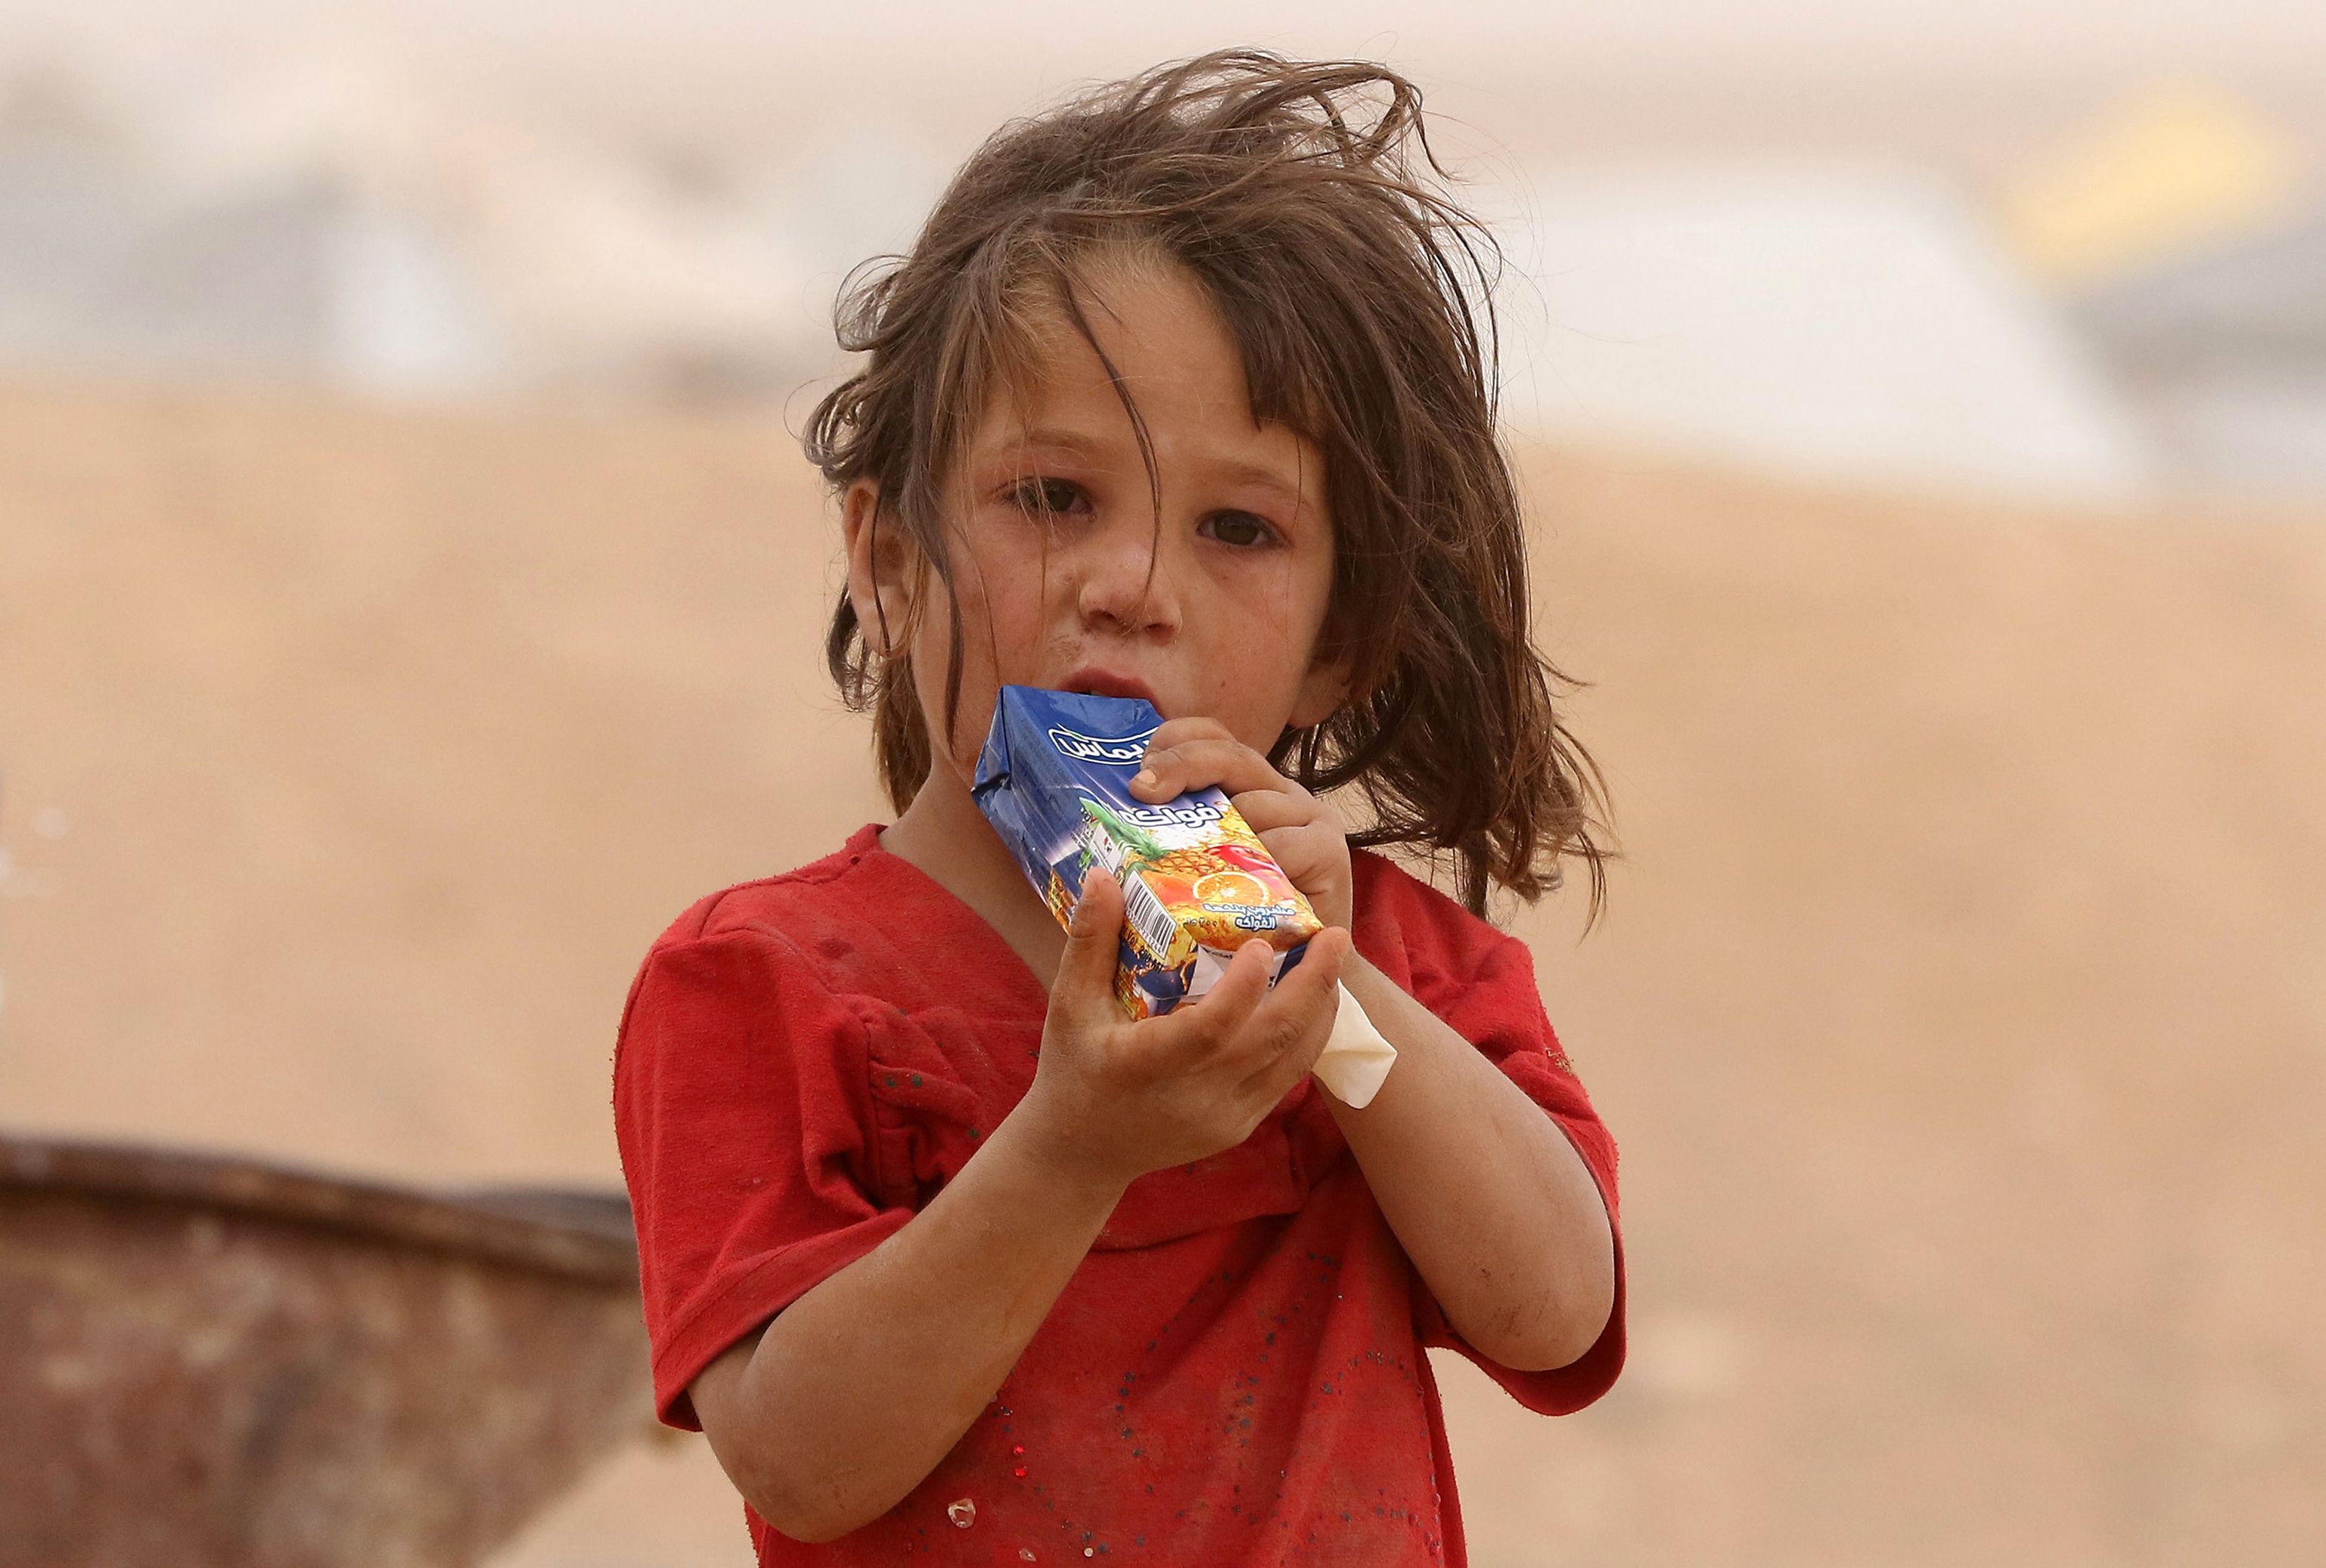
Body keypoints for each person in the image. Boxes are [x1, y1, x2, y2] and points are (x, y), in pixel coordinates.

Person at [613, 48, 1625, 1566]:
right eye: (1051, 497)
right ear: (889, 560)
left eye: (1237, 526)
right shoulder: (765, 983)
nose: (1132, 584)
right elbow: (801, 1459)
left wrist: (1326, 997)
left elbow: (1554, 1309)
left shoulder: (1388, 967)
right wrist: (1074, 1144)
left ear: (1338, 638)